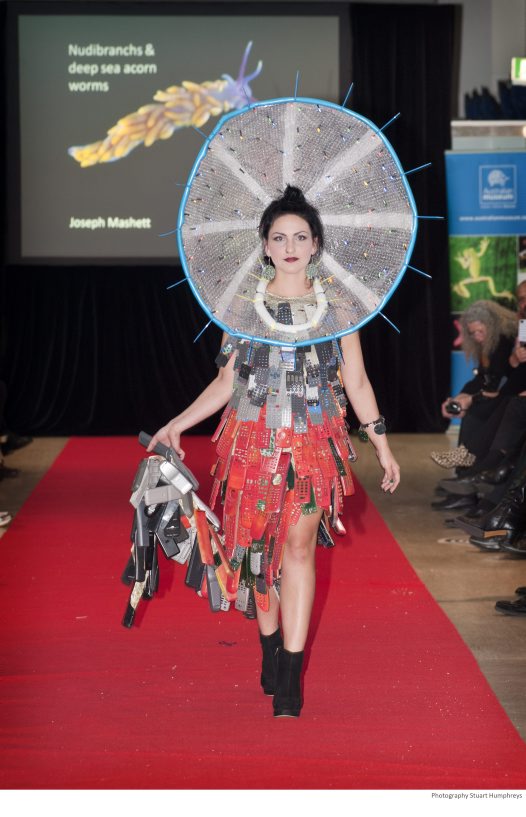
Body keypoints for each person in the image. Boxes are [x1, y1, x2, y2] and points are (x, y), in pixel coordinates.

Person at [148, 186, 400, 718]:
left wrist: (381, 444)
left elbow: (356, 382)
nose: (290, 247)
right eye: (279, 237)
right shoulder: (242, 308)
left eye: (300, 237)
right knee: (257, 553)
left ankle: (291, 672)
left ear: (315, 245)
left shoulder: (340, 309)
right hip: (250, 443)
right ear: (265, 245)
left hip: (315, 445)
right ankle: (269, 647)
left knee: (300, 548)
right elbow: (225, 384)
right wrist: (176, 424)